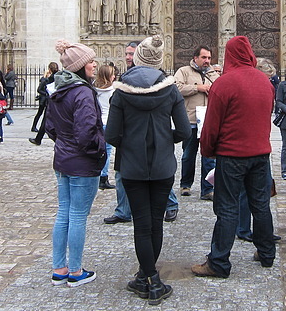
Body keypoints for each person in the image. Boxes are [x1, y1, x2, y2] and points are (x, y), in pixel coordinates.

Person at [105, 35, 190, 303]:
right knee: (156, 222)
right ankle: (150, 278)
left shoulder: (121, 91)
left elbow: (111, 135)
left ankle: (148, 278)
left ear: (138, 59)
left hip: (132, 167)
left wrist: (129, 144)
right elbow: (185, 130)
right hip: (163, 165)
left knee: (141, 225)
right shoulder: (171, 90)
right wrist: (166, 140)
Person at [191, 36, 276, 279]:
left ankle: (218, 262)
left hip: (232, 155)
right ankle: (266, 253)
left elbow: (211, 126)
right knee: (260, 205)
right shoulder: (265, 81)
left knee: (227, 208)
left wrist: (207, 150)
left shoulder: (224, 83)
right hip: (260, 154)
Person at [44, 39, 105, 288]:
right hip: (82, 163)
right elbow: (86, 131)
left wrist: (64, 145)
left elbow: (50, 127)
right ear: (80, 66)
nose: (94, 64)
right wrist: (99, 151)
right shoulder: (82, 92)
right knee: (78, 216)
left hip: (63, 161)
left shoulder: (58, 89)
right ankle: (76, 271)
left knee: (63, 214)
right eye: (90, 61)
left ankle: (59, 268)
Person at [174, 45, 219, 200]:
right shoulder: (184, 71)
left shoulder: (214, 75)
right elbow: (176, 88)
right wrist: (197, 87)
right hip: (191, 120)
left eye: (208, 58)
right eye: (203, 57)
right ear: (195, 58)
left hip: (209, 121)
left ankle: (208, 189)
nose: (207, 61)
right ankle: (185, 184)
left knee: (209, 157)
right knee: (188, 154)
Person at [94, 64, 116, 190]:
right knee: (106, 151)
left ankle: (97, 174)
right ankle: (103, 177)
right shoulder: (113, 91)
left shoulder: (94, 89)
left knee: (97, 149)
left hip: (97, 122)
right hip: (108, 122)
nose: (114, 76)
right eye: (112, 74)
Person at [29, 62, 59, 145]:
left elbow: (46, 89)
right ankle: (38, 139)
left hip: (51, 101)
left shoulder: (50, 78)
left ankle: (39, 139)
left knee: (45, 120)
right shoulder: (60, 76)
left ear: (49, 69)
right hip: (58, 101)